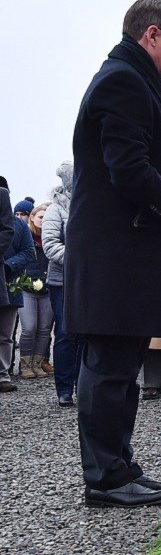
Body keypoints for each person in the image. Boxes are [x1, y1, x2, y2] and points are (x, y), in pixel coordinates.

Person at [70, 0, 161, 508]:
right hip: (116, 251)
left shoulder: (139, 79)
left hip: (127, 249)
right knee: (109, 365)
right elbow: (126, 167)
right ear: (151, 35)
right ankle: (104, 478)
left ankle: (120, 465)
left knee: (123, 364)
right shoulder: (122, 81)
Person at [42, 161, 80, 406]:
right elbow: (50, 244)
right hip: (63, 281)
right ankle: (64, 389)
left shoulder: (91, 205)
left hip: (88, 281)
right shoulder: (56, 210)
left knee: (88, 334)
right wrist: (79, 260)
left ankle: (84, 386)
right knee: (66, 334)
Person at [1, 189, 33, 391]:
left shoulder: (19, 226)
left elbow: (28, 252)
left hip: (9, 282)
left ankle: (2, 374)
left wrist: (8, 266)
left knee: (5, 334)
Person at [19, 203, 54, 379]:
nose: (43, 221)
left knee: (44, 329)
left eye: (46, 217)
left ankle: (37, 363)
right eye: (40, 217)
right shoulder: (25, 237)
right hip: (26, 288)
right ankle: (25, 364)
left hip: (47, 288)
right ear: (32, 217)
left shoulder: (52, 236)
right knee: (29, 327)